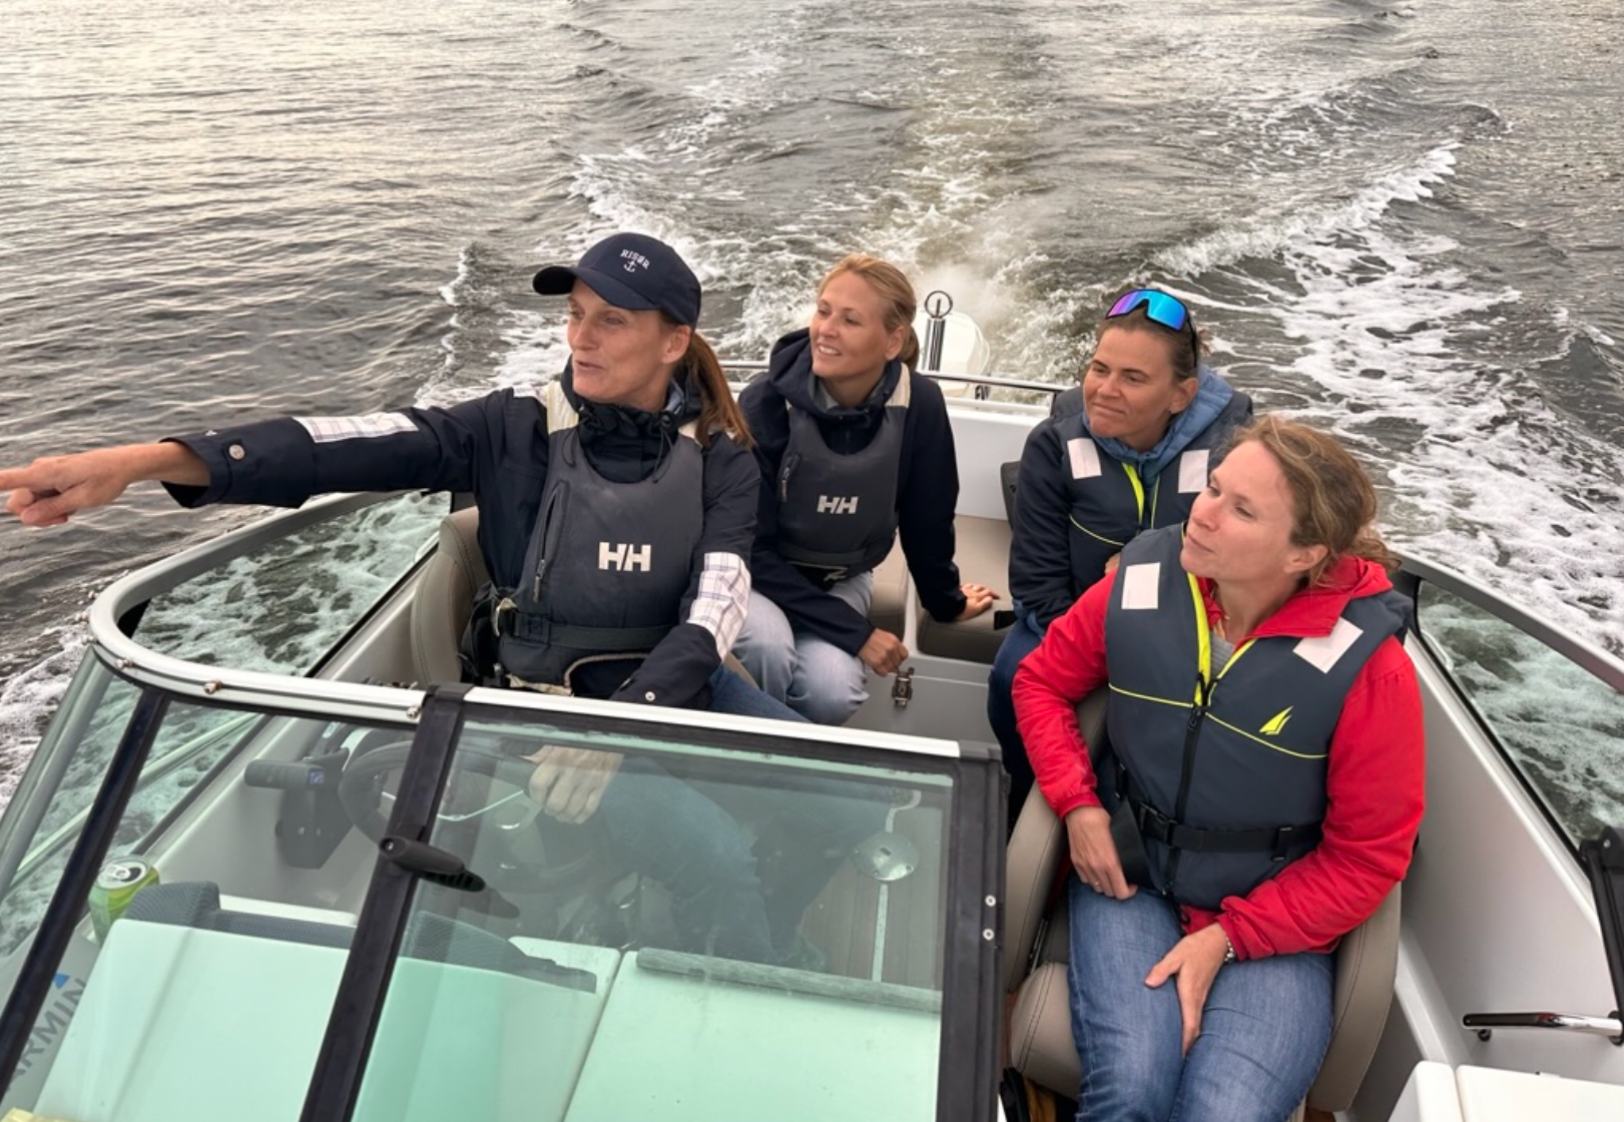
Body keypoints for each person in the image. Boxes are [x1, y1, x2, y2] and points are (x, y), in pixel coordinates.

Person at [0, 232, 880, 966]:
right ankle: (728, 976)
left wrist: (624, 723)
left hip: (668, 688)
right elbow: (344, 444)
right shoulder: (511, 430)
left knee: (851, 802)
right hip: (534, 706)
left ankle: (738, 938)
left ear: (673, 341)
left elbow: (715, 610)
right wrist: (148, 462)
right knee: (713, 854)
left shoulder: (722, 458)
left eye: (611, 321)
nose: (581, 338)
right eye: (575, 315)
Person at [1011, 416, 1424, 1122]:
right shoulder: (1140, 584)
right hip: (1134, 876)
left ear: (1304, 554)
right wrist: (1078, 805)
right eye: (1214, 490)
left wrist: (1228, 938)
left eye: (1242, 510)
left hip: (1275, 914)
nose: (1202, 514)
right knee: (1130, 1090)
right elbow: (1041, 682)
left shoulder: (1372, 673)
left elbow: (1367, 858)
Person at [990, 288, 1252, 825]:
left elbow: (1247, 566)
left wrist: (1142, 568)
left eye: (1133, 378)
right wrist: (1103, 650)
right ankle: (1021, 799)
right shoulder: (1054, 444)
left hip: (1194, 628)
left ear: (1180, 395)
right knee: (1011, 674)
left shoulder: (1234, 455)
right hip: (1072, 616)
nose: (1105, 390)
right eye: (1099, 369)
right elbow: (1037, 584)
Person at [733, 253, 997, 724]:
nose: (826, 330)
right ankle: (760, 760)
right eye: (823, 311)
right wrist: (857, 634)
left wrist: (947, 602)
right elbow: (748, 549)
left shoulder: (920, 403)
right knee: (766, 648)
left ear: (893, 341)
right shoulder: (764, 403)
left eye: (850, 320)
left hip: (842, 577)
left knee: (832, 692)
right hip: (758, 580)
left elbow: (927, 519)